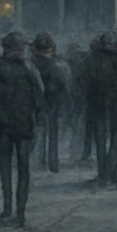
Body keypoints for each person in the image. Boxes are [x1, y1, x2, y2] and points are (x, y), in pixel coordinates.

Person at [0, 31, 45, 227]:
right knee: (24, 169)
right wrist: (35, 118)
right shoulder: (30, 68)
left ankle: (7, 208)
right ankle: (21, 213)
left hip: (4, 126)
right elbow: (39, 96)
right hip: (25, 125)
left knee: (5, 169)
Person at [87, 30, 117, 186]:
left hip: (97, 104)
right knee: (116, 138)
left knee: (100, 139)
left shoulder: (91, 60)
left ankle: (102, 174)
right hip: (116, 103)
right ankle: (111, 174)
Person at [30, 33, 71, 174]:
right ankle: (52, 163)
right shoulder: (58, 64)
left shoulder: (30, 63)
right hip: (51, 102)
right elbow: (65, 85)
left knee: (37, 132)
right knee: (51, 133)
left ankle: (39, 162)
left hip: (37, 102)